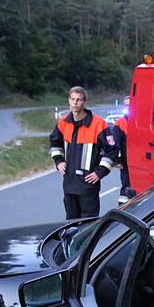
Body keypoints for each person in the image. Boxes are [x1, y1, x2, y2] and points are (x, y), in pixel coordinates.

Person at [49, 86, 116, 219]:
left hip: (88, 184)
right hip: (69, 182)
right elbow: (54, 143)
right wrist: (59, 161)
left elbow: (112, 150)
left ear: (84, 102)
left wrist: (99, 172)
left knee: (88, 224)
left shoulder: (98, 124)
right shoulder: (63, 122)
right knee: (70, 224)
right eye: (73, 99)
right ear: (68, 100)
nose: (75, 103)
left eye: (78, 100)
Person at [112, 97, 134, 200]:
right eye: (126, 105)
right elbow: (116, 144)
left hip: (139, 160)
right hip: (125, 162)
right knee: (126, 186)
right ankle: (124, 209)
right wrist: (118, 160)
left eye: (130, 105)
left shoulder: (142, 122)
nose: (128, 107)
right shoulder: (120, 123)